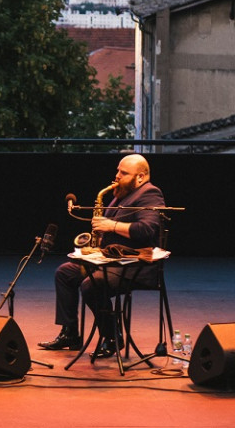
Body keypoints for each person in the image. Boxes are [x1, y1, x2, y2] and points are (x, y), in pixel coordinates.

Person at [38, 153, 164, 358]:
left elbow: (147, 230)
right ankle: (70, 333)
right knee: (65, 273)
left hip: (136, 266)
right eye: (117, 170)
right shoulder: (120, 193)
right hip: (112, 262)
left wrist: (111, 225)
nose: (116, 176)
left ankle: (113, 337)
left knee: (91, 284)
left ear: (140, 177)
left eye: (123, 173)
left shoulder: (150, 193)